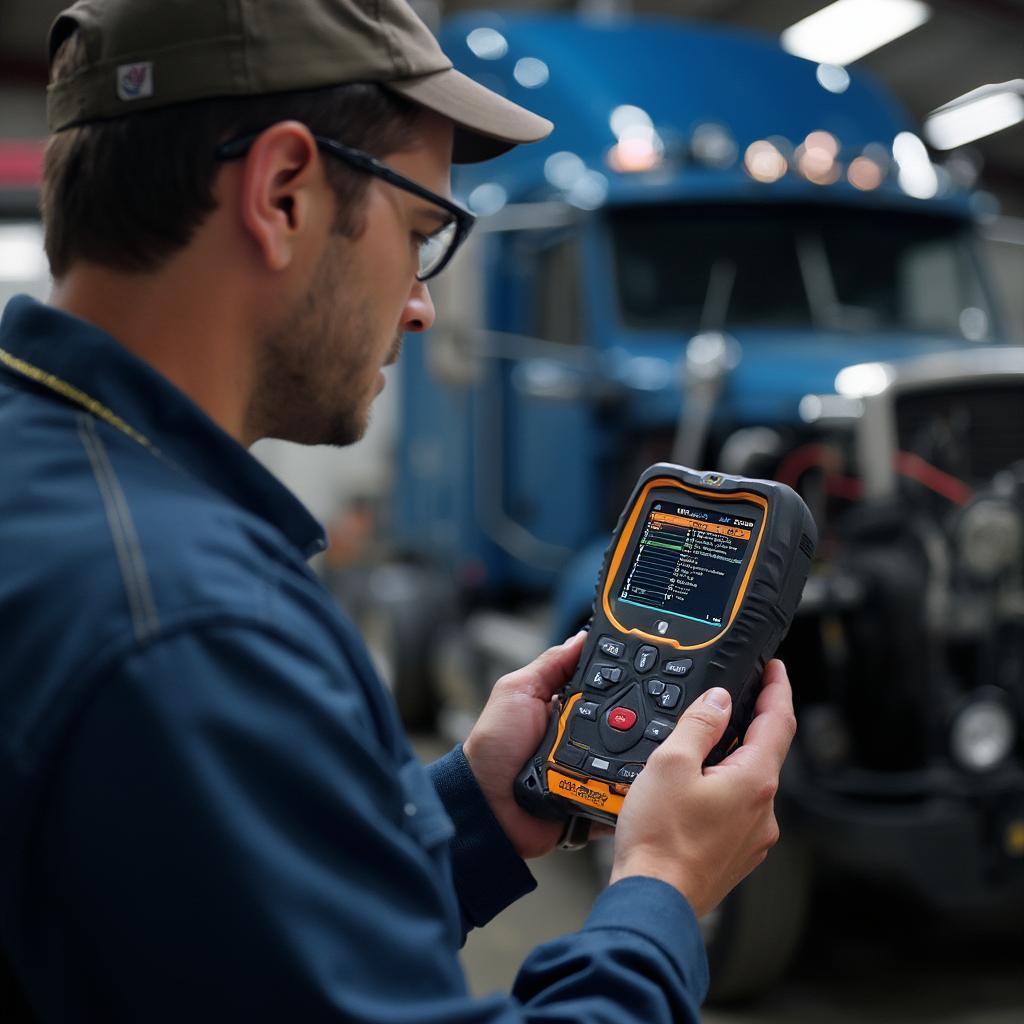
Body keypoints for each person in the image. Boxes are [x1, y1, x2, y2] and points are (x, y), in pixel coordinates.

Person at [0, 0, 795, 1020]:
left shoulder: (58, 493)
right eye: (422, 231)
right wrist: (662, 890)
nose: (420, 305)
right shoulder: (190, 624)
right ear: (283, 192)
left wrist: (473, 812)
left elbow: (214, 941)